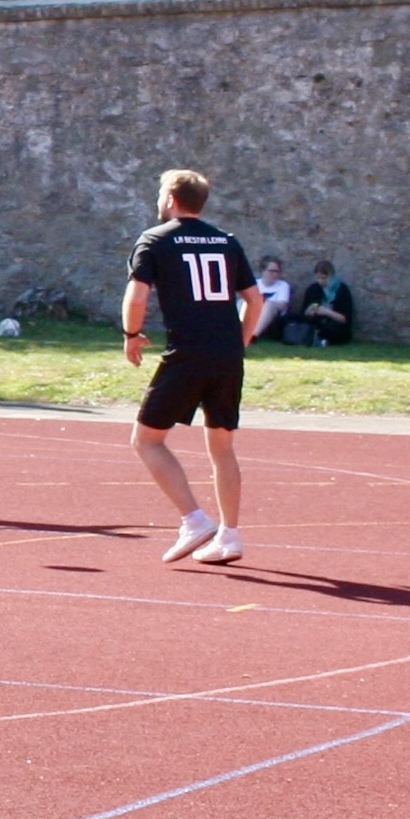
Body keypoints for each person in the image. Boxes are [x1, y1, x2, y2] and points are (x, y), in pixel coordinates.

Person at [122, 169, 261, 567]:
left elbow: (137, 295)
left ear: (170, 199)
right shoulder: (227, 241)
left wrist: (131, 333)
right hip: (226, 355)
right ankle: (229, 536)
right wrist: (240, 342)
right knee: (222, 447)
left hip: (187, 353)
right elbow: (254, 300)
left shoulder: (155, 240)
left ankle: (194, 519)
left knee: (146, 439)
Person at [299, 261, 355, 345]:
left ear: (331, 276)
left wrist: (327, 312)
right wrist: (309, 311)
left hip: (334, 325)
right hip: (317, 324)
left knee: (336, 330)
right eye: (318, 278)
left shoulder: (342, 290)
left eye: (324, 278)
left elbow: (345, 319)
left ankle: (319, 340)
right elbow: (303, 313)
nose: (321, 281)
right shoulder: (313, 289)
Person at [250, 257, 290, 340]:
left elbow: (282, 305)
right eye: (271, 271)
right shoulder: (255, 283)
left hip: (274, 316)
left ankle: (253, 335)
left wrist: (266, 303)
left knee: (269, 304)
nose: (274, 274)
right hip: (253, 311)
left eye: (277, 271)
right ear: (263, 271)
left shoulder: (283, 285)